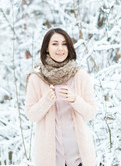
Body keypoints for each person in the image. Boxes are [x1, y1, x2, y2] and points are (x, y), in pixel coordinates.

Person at [25, 28, 96, 166]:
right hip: (50, 160)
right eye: (55, 44)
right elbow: (31, 115)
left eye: (64, 44)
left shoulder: (79, 76)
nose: (60, 48)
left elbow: (91, 113)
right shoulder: (36, 78)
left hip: (79, 159)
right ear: (46, 48)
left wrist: (75, 99)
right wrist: (46, 100)